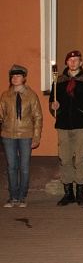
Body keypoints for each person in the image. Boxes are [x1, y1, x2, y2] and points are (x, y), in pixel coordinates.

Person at [50, 50, 83, 206]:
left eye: (76, 60)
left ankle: (80, 193)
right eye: (70, 60)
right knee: (65, 159)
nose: (73, 62)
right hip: (63, 125)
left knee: (80, 159)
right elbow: (53, 105)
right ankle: (68, 193)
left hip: (81, 125)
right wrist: (54, 107)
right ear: (66, 63)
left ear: (81, 63)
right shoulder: (58, 81)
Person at [0, 65, 43, 208]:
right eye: (13, 76)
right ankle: (13, 197)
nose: (15, 78)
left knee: (24, 167)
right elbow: (1, 115)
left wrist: (36, 137)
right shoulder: (5, 96)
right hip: (8, 135)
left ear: (24, 78)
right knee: (12, 166)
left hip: (26, 134)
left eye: (18, 76)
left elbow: (38, 117)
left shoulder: (31, 96)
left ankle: (22, 196)